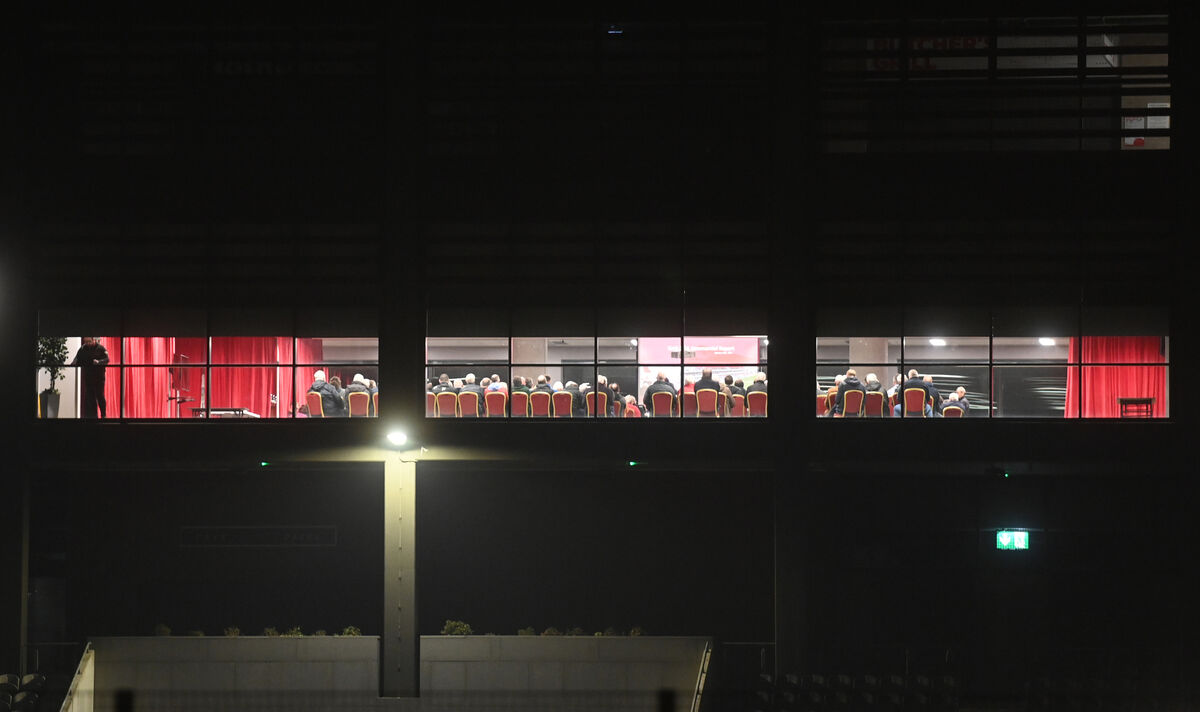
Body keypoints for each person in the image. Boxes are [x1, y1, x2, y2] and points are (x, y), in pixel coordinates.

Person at [71, 336, 110, 418]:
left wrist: (99, 362)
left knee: (100, 396)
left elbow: (107, 359)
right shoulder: (83, 348)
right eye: (86, 342)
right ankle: (94, 417)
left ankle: (103, 415)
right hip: (89, 376)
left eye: (89, 341)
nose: (88, 343)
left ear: (93, 340)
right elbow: (77, 358)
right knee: (90, 397)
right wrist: (74, 363)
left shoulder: (100, 348)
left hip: (99, 377)